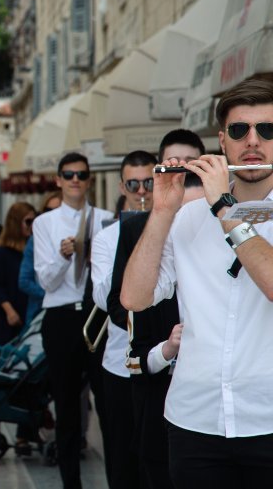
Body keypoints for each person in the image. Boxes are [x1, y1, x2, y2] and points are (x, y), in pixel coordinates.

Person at [120, 79, 273, 489]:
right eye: (240, 131)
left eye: (267, 130)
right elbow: (134, 298)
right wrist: (163, 211)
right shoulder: (187, 219)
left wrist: (226, 208)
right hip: (194, 419)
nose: (253, 142)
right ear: (222, 141)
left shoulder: (218, 208)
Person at [107, 129, 204, 489]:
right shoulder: (137, 229)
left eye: (191, 167)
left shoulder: (224, 220)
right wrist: (167, 349)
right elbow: (125, 302)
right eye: (171, 165)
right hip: (159, 399)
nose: (181, 172)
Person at [32, 152, 112, 489]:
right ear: (59, 180)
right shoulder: (45, 223)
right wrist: (64, 257)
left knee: (109, 403)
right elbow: (45, 282)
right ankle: (71, 482)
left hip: (98, 315)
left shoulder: (107, 220)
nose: (75, 180)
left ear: (89, 179)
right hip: (62, 317)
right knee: (65, 404)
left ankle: (119, 476)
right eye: (69, 175)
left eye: (81, 174)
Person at [90, 150, 157, 489]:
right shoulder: (106, 237)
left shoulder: (174, 229)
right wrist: (132, 239)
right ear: (122, 186)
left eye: (149, 182)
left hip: (163, 362)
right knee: (122, 458)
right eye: (134, 184)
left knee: (157, 460)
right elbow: (105, 299)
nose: (142, 191)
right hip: (119, 363)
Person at [0, 202, 36, 348]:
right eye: (28, 221)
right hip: (9, 315)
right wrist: (10, 312)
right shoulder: (3, 252)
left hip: (29, 309)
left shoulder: (34, 249)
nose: (32, 225)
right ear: (16, 222)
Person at [18, 191, 62, 325]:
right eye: (48, 210)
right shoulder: (35, 240)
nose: (53, 214)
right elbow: (24, 281)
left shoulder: (79, 236)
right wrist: (52, 296)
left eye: (59, 210)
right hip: (41, 311)